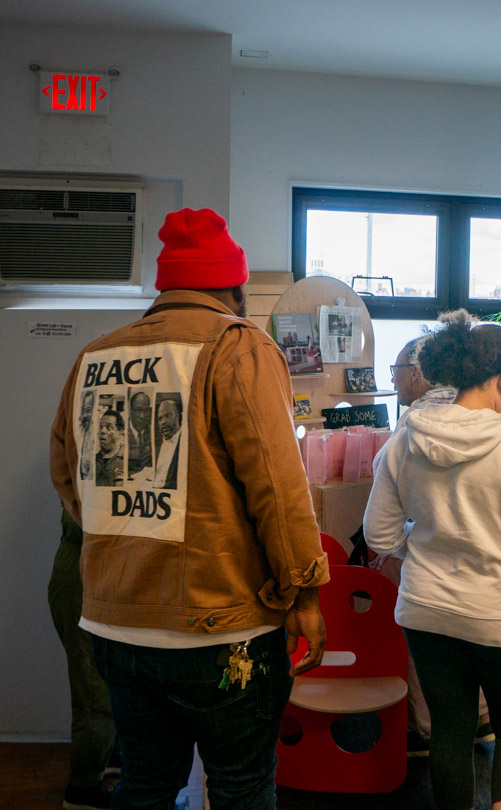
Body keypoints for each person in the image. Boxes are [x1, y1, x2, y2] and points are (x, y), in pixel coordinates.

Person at [50, 207, 329, 809]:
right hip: (221, 629)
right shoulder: (237, 347)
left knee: (146, 782)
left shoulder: (96, 357)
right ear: (233, 287)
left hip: (114, 625)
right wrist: (304, 594)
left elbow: (70, 479)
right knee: (240, 784)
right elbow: (279, 492)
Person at [364, 312, 501, 810]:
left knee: (450, 731)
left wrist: (426, 539)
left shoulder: (404, 442)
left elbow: (379, 534)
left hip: (426, 613)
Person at [369, 331, 494, 757]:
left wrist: (403, 547)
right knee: (468, 641)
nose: (396, 380)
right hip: (479, 554)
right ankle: (480, 718)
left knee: (425, 647)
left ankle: (425, 732)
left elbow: (381, 513)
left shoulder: (413, 423)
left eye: (398, 371)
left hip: (424, 552)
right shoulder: (485, 415)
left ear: (420, 374)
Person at [48, 508, 118, 810]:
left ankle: (112, 758)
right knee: (95, 696)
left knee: (115, 682)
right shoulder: (84, 461)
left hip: (101, 574)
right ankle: (82, 791)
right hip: (85, 578)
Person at [152, 397, 182, 489]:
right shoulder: (154, 445)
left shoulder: (186, 442)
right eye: (160, 419)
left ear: (177, 416)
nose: (163, 422)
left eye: (168, 416)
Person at [94, 410, 125, 487]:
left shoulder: (126, 460)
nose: (102, 431)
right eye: (101, 427)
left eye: (109, 427)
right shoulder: (92, 460)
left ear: (120, 432)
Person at [126, 391, 153, 479]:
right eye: (138, 410)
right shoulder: (122, 431)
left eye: (146, 411)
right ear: (130, 411)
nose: (142, 416)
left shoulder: (154, 433)